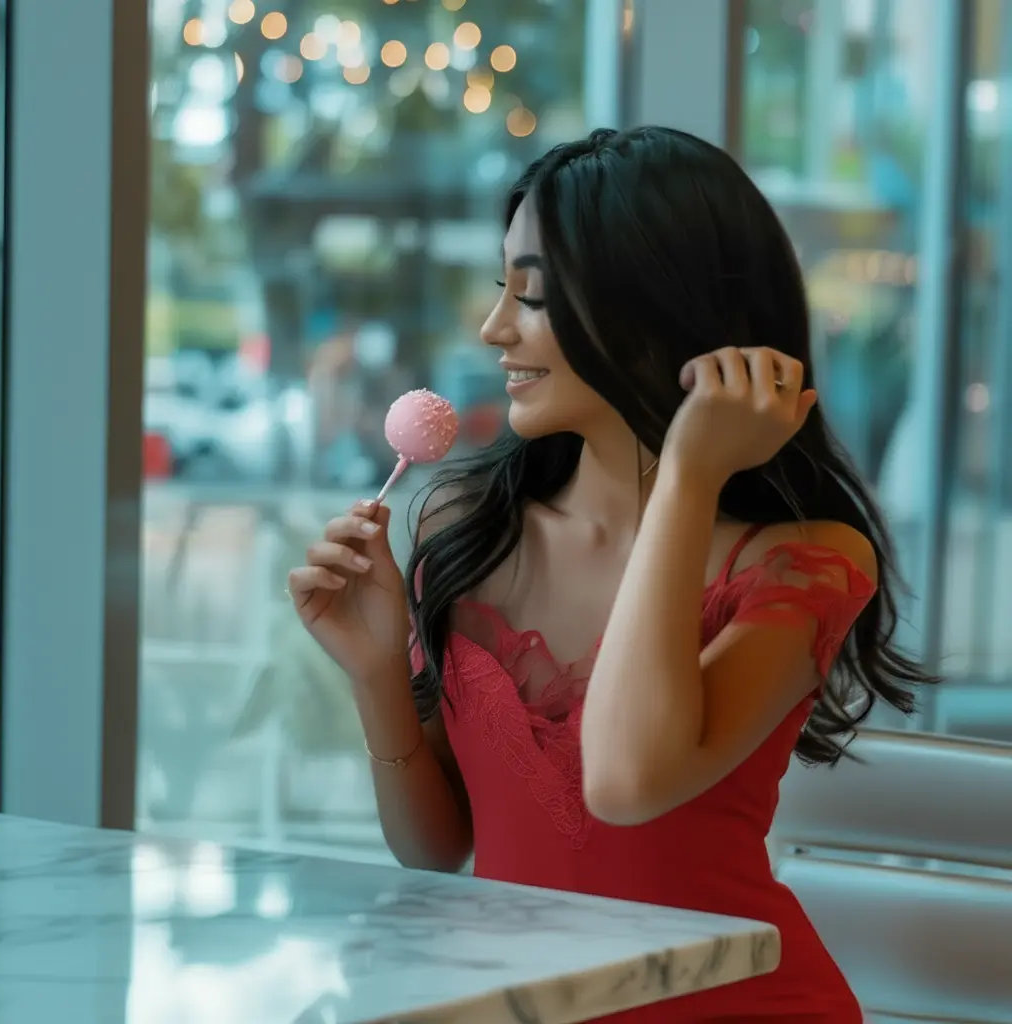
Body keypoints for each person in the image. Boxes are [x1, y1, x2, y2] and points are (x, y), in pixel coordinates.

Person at [286, 127, 934, 1022]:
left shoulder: (806, 558)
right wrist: (372, 674)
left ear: (655, 307)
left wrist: (689, 476)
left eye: (536, 297)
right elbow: (435, 847)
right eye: (499, 290)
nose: (493, 328)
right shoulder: (467, 531)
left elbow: (628, 781)